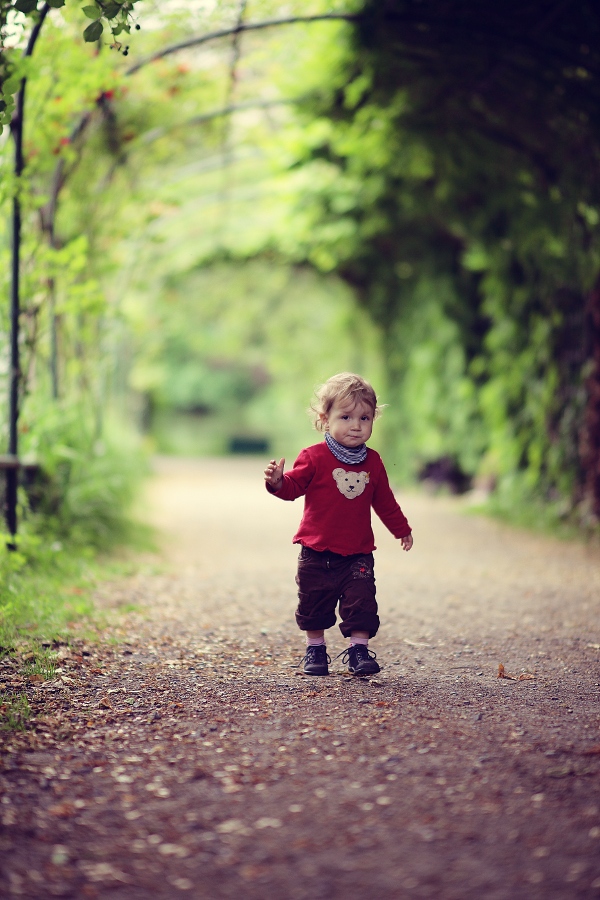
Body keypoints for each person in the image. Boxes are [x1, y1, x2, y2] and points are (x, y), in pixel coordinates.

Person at [264, 372, 413, 677]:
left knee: (362, 602)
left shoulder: (373, 462)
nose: (356, 425)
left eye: (365, 417)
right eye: (346, 416)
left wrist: (402, 529)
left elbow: (384, 501)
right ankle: (315, 650)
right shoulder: (314, 457)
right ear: (325, 419)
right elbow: (293, 488)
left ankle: (359, 652)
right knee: (313, 604)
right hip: (316, 551)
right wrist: (278, 482)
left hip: (357, 553)